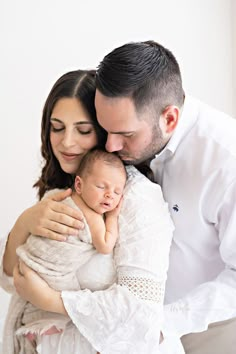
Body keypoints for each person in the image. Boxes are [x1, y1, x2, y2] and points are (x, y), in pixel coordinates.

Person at [0, 69, 175, 353]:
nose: (67, 142)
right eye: (57, 128)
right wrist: (24, 223)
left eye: (83, 130)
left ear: (104, 129)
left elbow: (141, 314)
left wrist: (50, 301)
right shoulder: (58, 191)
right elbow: (12, 277)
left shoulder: (135, 198)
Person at [94, 40, 236, 354]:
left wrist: (164, 322)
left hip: (213, 332)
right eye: (107, 131)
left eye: (125, 135)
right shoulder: (122, 144)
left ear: (169, 119)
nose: (110, 146)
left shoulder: (227, 160)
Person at [3, 148, 127, 353]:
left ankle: (34, 323)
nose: (109, 195)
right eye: (101, 186)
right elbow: (105, 245)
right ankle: (43, 322)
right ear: (79, 184)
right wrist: (112, 218)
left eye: (117, 192)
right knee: (67, 293)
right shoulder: (94, 216)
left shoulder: (61, 198)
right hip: (48, 265)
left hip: (28, 260)